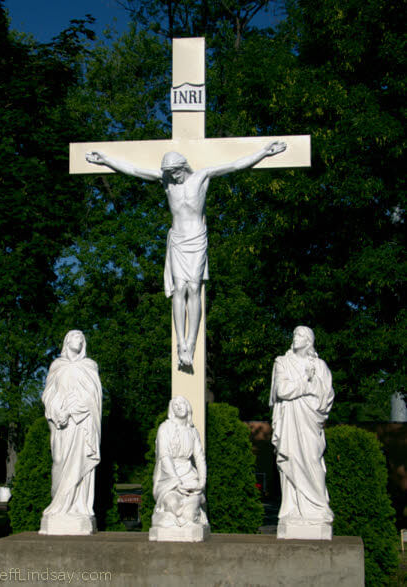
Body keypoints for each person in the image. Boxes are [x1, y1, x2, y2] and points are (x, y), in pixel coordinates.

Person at [86, 141, 286, 367]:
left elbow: (235, 165)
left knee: (194, 288)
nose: (173, 177)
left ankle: (191, 341)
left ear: (183, 167)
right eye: (169, 174)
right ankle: (181, 342)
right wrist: (106, 161)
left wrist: (263, 152)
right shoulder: (167, 182)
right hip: (178, 240)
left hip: (196, 238)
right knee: (179, 289)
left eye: (175, 173)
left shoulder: (201, 177)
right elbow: (134, 170)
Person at [269, 326, 335, 538]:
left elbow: (326, 397)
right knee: (292, 460)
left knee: (312, 461)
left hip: (310, 421)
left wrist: (312, 384)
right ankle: (293, 510)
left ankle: (318, 508)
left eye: (299, 335)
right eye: (294, 333)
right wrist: (305, 384)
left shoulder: (320, 366)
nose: (294, 337)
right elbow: (281, 390)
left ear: (308, 341)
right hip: (290, 421)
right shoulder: (282, 362)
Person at [39, 330, 102, 535]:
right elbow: (48, 394)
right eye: (75, 337)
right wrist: (59, 410)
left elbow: (95, 397)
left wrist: (79, 406)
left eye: (82, 338)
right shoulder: (57, 366)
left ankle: (78, 507)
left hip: (82, 423)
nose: (79, 340)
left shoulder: (89, 366)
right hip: (62, 423)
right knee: (59, 460)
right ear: (67, 341)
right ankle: (58, 505)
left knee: (80, 461)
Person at [151, 395, 208, 530]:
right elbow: (164, 457)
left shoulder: (193, 432)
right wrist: (176, 482)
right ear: (172, 410)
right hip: (168, 478)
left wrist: (202, 481)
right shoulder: (164, 428)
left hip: (189, 477)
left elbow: (199, 457)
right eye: (175, 405)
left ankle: (192, 516)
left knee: (189, 512)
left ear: (188, 407)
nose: (179, 406)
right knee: (172, 504)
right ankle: (171, 519)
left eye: (182, 403)